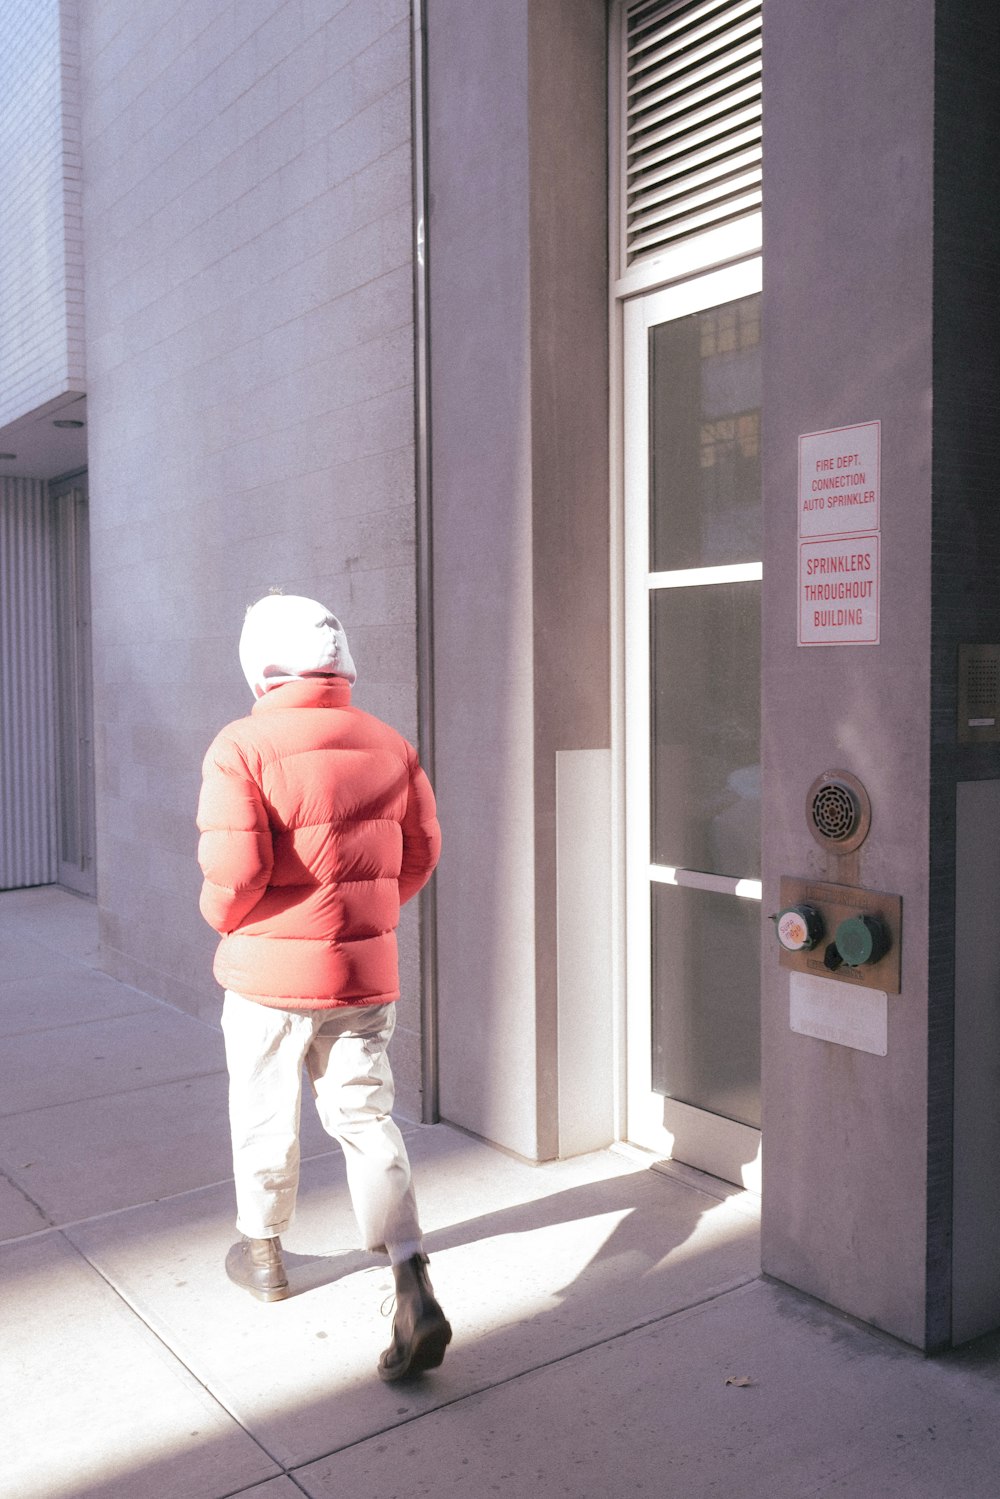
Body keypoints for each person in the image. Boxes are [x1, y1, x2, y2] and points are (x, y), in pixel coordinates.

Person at [196, 592, 450, 1381]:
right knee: (367, 1115)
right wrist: (365, 914)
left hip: (269, 974)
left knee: (264, 1108)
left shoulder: (240, 745)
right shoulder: (388, 741)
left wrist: (221, 917)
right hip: (362, 976)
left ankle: (264, 1252)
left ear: (260, 659)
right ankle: (409, 1269)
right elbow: (420, 854)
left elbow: (233, 875)